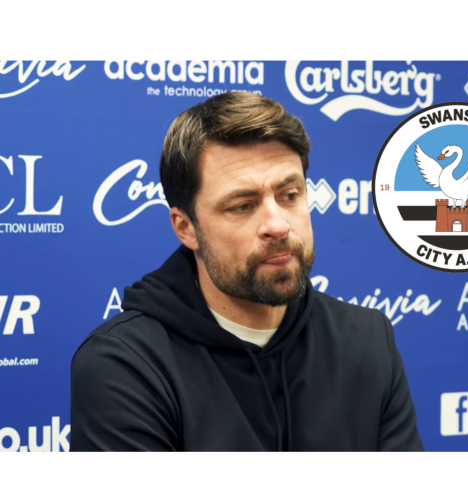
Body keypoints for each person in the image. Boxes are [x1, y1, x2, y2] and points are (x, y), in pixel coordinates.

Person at [70, 92, 424, 451]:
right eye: (243, 206)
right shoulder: (126, 365)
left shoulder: (367, 341)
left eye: (290, 195)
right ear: (185, 228)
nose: (278, 225)